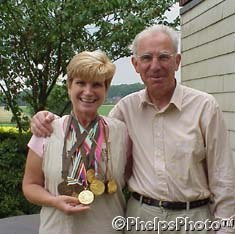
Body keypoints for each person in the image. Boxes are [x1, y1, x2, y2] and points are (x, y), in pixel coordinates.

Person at [30, 25, 235, 234]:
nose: (155, 66)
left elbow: (223, 177)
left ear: (177, 61)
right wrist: (47, 119)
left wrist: (226, 229)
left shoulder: (205, 107)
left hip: (194, 220)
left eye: (164, 57)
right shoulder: (124, 110)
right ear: (135, 64)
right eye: (146, 58)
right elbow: (90, 131)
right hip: (140, 219)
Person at [23, 50, 129, 234]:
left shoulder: (121, 132)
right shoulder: (46, 130)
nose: (88, 92)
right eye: (81, 83)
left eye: (96, 84)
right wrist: (53, 201)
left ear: (105, 89)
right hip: (58, 229)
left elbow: (129, 178)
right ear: (69, 86)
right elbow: (30, 185)